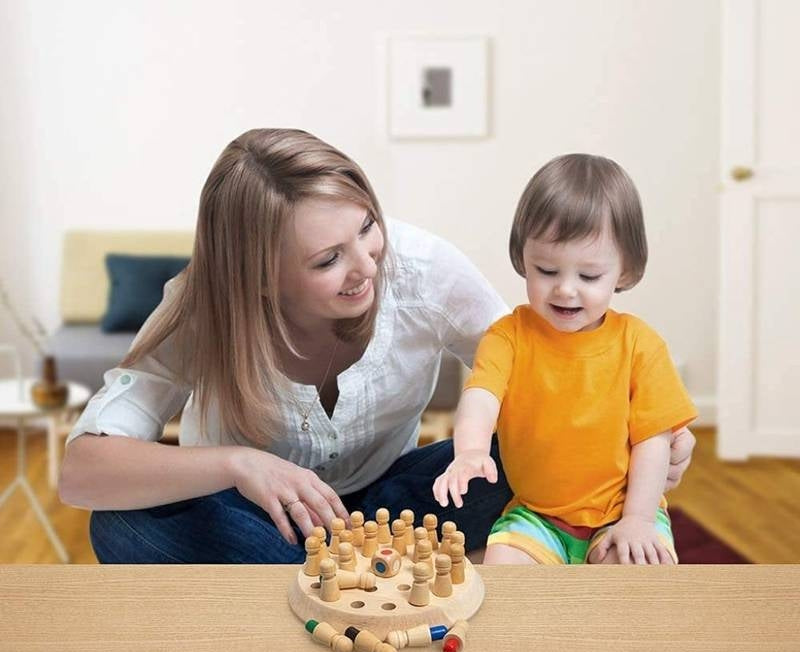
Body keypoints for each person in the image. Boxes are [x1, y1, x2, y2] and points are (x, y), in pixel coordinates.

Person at [59, 131, 695, 564]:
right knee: (123, 524)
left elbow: (540, 370)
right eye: (328, 259)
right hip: (259, 517)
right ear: (259, 275)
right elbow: (82, 472)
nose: (366, 264)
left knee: (503, 460)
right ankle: (374, 579)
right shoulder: (203, 304)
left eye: (367, 228)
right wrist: (237, 465)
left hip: (391, 501)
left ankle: (324, 583)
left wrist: (646, 433)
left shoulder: (423, 269)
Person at [433, 154, 697, 566]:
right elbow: (482, 395)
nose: (566, 290)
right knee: (502, 572)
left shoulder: (640, 345)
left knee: (640, 574)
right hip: (536, 516)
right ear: (523, 258)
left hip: (621, 512)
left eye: (589, 276)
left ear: (624, 272)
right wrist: (470, 450)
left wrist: (639, 520)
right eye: (547, 270)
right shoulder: (509, 336)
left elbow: (653, 441)